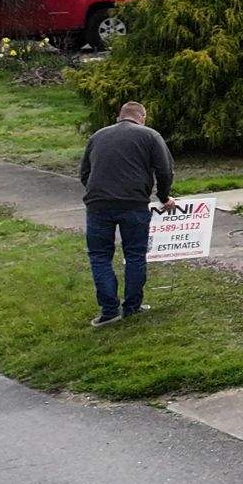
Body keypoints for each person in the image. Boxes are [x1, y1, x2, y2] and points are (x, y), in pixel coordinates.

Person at [79, 100, 174, 328]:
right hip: (134, 204)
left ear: (118, 117)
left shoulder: (97, 136)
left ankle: (109, 310)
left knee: (100, 256)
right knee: (134, 255)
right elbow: (165, 170)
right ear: (143, 117)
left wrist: (98, 192)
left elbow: (84, 172)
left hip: (98, 205)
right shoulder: (150, 136)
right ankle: (132, 307)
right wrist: (164, 196)